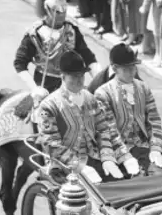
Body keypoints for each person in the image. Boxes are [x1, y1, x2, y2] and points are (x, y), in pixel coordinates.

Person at [37, 50, 123, 183]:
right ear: (63, 76)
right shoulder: (49, 106)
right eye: (74, 76)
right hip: (64, 166)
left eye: (81, 76)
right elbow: (52, 144)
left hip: (94, 158)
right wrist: (80, 166)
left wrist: (107, 157)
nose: (79, 80)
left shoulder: (90, 98)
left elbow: (103, 130)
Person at [14, 0, 101, 104]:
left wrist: (100, 81)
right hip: (44, 88)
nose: (62, 15)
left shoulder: (72, 31)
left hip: (71, 85)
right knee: (37, 116)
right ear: (48, 10)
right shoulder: (35, 34)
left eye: (64, 12)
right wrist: (34, 88)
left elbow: (88, 58)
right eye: (58, 12)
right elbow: (19, 63)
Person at [94, 44, 162, 177]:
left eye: (133, 67)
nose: (132, 72)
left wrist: (155, 147)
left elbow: (154, 120)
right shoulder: (102, 94)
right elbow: (108, 130)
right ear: (115, 68)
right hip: (119, 149)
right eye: (126, 69)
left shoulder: (143, 88)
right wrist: (124, 156)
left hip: (144, 146)